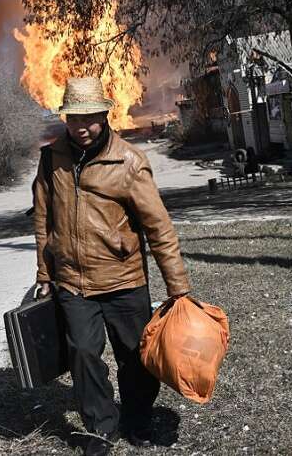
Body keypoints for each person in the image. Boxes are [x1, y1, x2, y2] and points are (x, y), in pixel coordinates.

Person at [33, 77, 191, 456]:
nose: (81, 127)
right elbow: (43, 220)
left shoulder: (129, 162)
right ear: (65, 118)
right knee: (84, 355)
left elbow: (159, 227)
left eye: (89, 118)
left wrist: (178, 286)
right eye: (74, 119)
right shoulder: (52, 158)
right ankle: (101, 428)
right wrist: (44, 274)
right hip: (73, 282)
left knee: (135, 358)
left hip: (124, 280)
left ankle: (137, 419)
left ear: (105, 115)